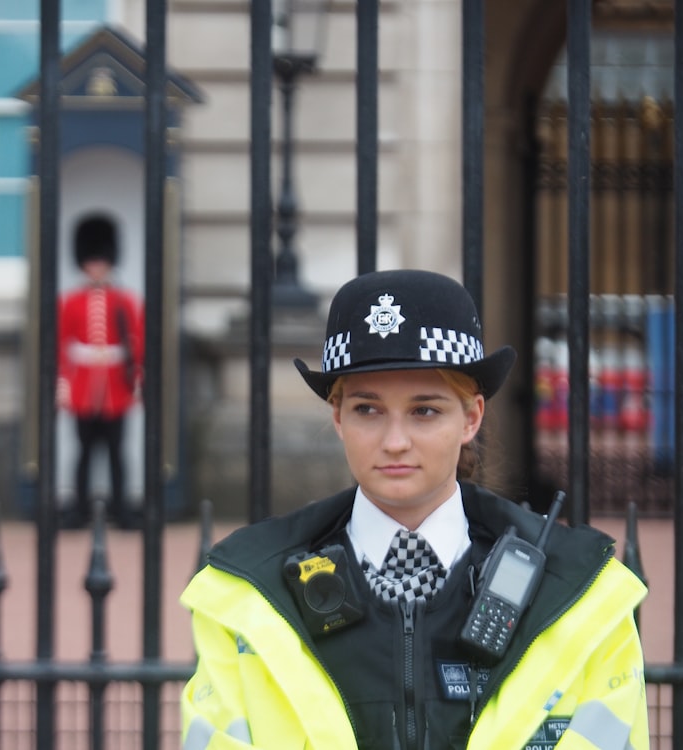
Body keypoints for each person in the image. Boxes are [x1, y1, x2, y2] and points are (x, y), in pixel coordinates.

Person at [180, 269, 649, 749]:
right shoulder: (244, 594)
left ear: (471, 418)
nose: (395, 441)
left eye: (425, 410)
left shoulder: (585, 597)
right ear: (338, 417)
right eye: (367, 409)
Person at [56, 214, 144, 529]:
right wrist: (62, 384)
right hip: (82, 388)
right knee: (83, 453)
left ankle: (121, 510)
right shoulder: (71, 302)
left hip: (115, 388)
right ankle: (78, 509)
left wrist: (136, 382)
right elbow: (62, 345)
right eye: (92, 262)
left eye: (100, 262)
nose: (96, 267)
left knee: (117, 453)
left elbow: (138, 344)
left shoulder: (125, 301)